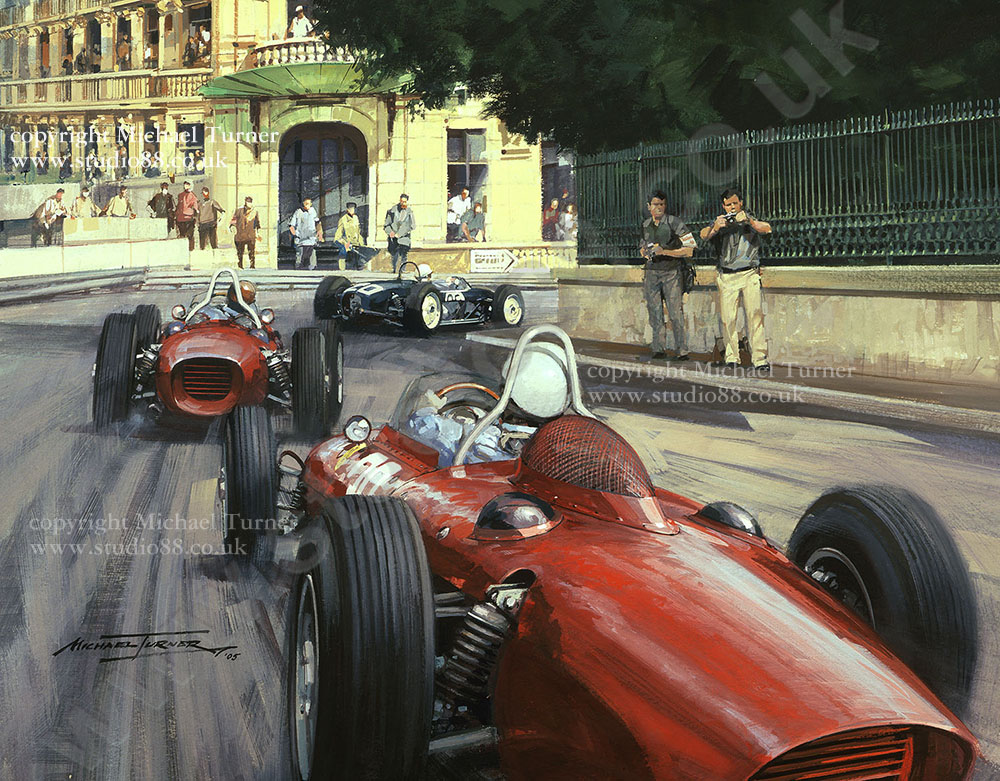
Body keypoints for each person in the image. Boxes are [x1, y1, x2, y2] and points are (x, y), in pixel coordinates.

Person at [404, 342, 570, 468]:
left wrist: (426, 408)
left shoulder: (483, 440)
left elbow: (418, 429)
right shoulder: (563, 443)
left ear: (506, 390)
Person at [700, 187, 773, 372]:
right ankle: (732, 357)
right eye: (728, 204)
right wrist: (716, 227)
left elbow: (767, 228)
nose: (732, 207)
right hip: (727, 275)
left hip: (749, 273)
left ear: (741, 203)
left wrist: (748, 221)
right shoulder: (720, 221)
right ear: (723, 206)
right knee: (728, 318)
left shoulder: (750, 217)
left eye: (735, 203)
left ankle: (759, 359)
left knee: (755, 315)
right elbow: (703, 235)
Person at [640, 190, 696, 361]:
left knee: (675, 312)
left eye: (662, 205)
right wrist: (645, 252)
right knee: (654, 311)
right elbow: (642, 246)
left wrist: (665, 251)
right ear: (649, 207)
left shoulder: (674, 222)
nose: (659, 208)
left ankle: (682, 349)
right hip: (651, 272)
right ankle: (658, 348)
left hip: (672, 272)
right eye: (655, 205)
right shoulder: (645, 225)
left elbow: (690, 249)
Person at [332, 202, 376, 270]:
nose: (353, 210)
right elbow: (339, 233)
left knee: (358, 254)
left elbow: (358, 232)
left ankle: (357, 267)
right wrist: (343, 242)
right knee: (343, 252)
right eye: (351, 209)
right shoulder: (343, 219)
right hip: (346, 241)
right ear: (347, 210)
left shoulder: (356, 218)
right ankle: (342, 268)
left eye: (354, 209)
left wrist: (362, 244)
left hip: (356, 241)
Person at [384, 193, 415, 272]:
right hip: (393, 238)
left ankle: (402, 271)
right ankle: (395, 270)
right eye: (402, 201)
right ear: (399, 201)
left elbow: (413, 225)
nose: (403, 203)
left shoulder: (410, 212)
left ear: (407, 202)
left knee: (403, 255)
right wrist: (390, 232)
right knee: (394, 255)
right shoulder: (392, 211)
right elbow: (386, 225)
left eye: (405, 202)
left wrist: (402, 232)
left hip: (404, 238)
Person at [290, 197, 322, 269]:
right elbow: (291, 225)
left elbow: (317, 222)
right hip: (301, 237)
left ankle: (312, 266)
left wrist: (319, 232)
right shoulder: (298, 212)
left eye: (309, 204)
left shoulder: (313, 211)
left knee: (312, 252)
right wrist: (295, 234)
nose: (307, 205)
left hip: (311, 236)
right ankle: (298, 266)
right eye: (306, 203)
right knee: (300, 253)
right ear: (303, 204)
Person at [229, 196, 261, 268]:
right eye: (248, 202)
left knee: (251, 251)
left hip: (250, 235)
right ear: (245, 202)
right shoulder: (239, 211)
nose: (249, 204)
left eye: (250, 202)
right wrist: (233, 227)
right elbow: (233, 220)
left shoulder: (254, 212)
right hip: (240, 234)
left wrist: (257, 233)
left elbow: (257, 224)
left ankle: (252, 265)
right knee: (240, 252)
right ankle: (240, 265)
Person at [174, 180, 199, 250]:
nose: (186, 186)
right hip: (180, 219)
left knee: (190, 236)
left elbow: (195, 208)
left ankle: (190, 250)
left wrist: (195, 215)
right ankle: (182, 250)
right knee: (181, 236)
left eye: (187, 185)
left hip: (189, 219)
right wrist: (176, 215)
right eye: (185, 185)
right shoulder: (180, 195)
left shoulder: (193, 197)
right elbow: (178, 206)